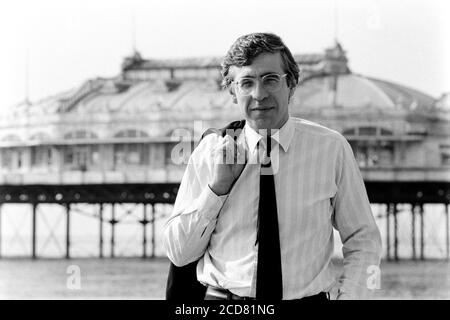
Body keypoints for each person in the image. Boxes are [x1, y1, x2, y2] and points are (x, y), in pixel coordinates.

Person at [164, 32, 382, 300]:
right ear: (232, 92)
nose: (259, 94)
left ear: (291, 84)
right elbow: (179, 252)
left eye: (270, 80)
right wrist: (217, 188)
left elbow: (364, 239)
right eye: (246, 83)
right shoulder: (210, 152)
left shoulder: (331, 149)